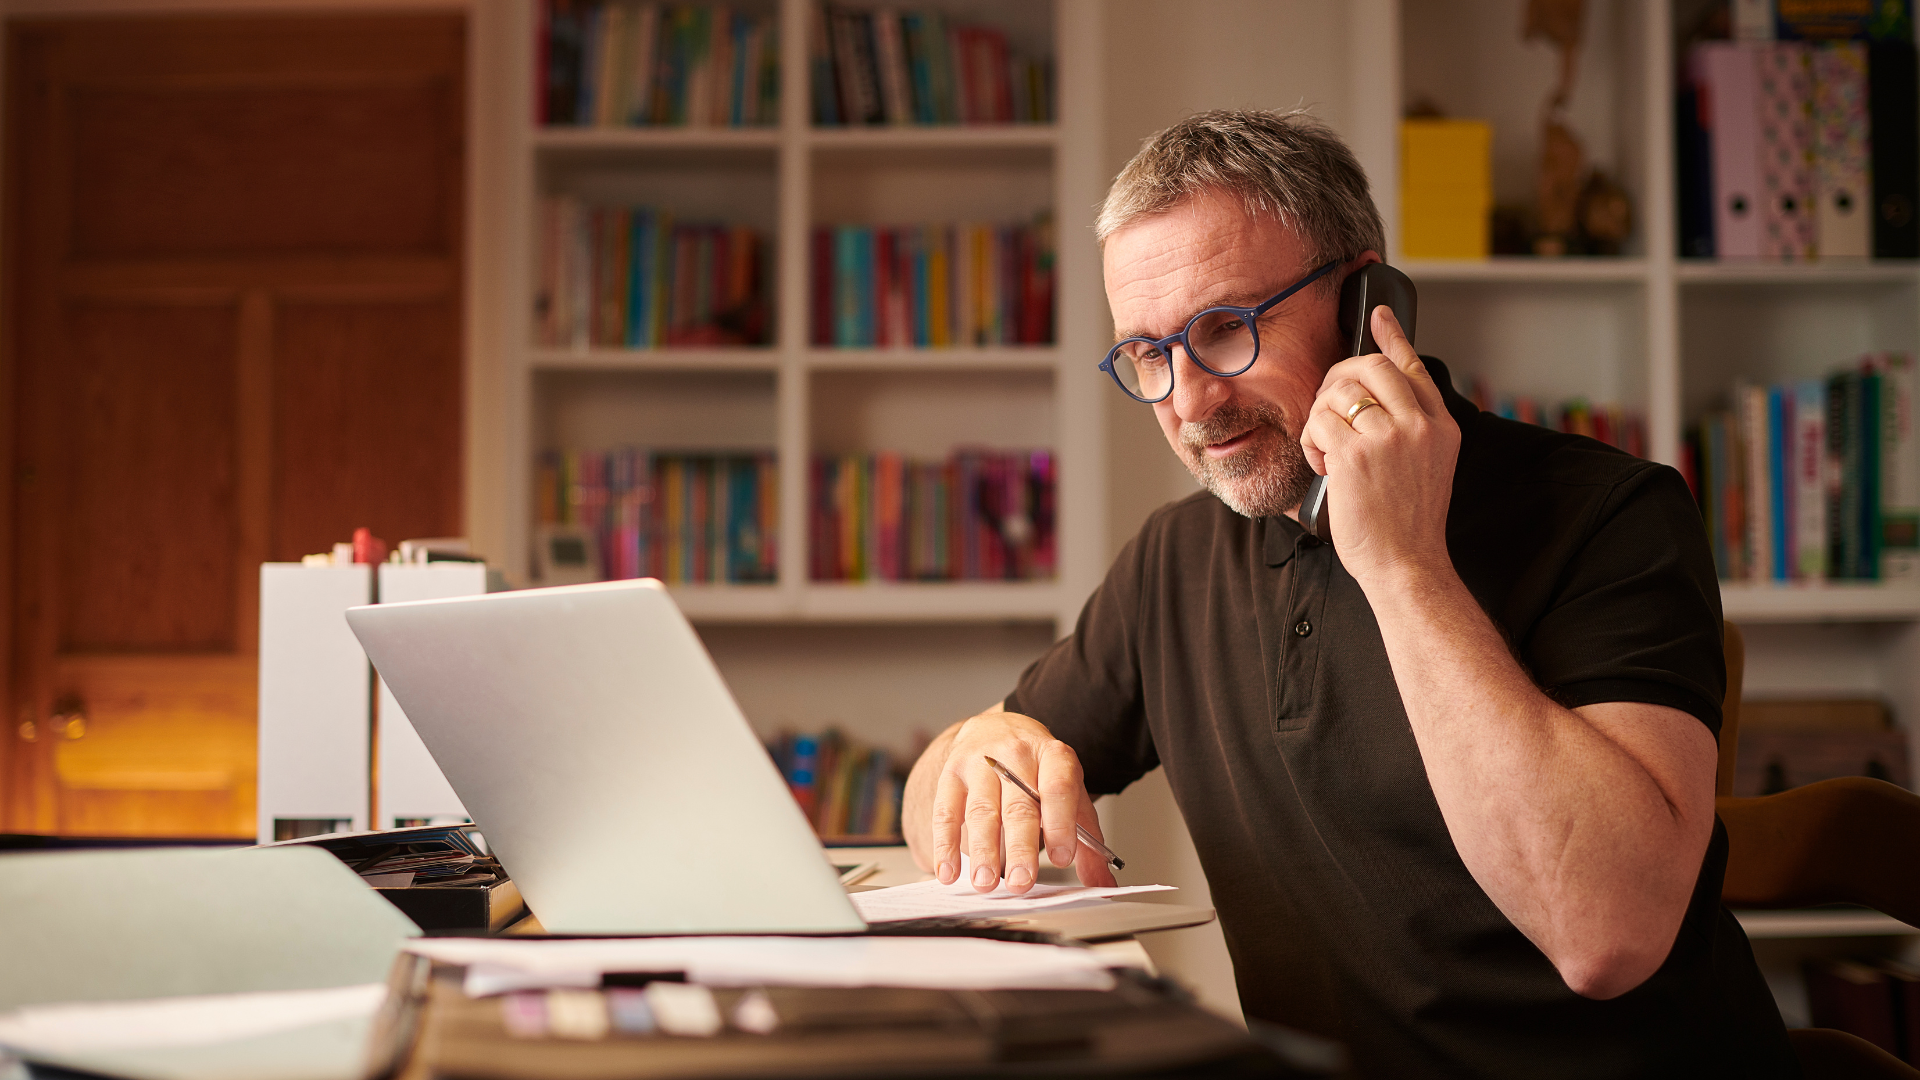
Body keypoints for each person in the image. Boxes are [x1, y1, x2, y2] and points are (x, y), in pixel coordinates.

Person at [900, 110, 1794, 1077]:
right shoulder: (1176, 561)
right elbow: (939, 804)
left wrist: (1405, 567)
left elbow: (1609, 936)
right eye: (1150, 354)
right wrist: (976, 753)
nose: (1190, 401)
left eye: (1227, 329)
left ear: (1370, 300)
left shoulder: (1609, 514)